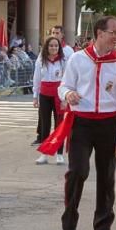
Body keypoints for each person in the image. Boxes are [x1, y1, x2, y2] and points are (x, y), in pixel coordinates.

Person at [47, 15, 116, 230]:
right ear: (99, 33)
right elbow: (63, 85)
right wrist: (68, 95)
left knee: (106, 178)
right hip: (82, 123)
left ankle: (103, 229)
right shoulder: (78, 59)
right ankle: (69, 226)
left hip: (108, 124)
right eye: (113, 32)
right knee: (77, 172)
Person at [34, 36, 68, 165]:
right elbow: (36, 79)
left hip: (59, 95)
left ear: (59, 48)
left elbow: (67, 79)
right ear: (46, 47)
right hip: (44, 95)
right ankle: (44, 154)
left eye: (56, 46)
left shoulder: (64, 61)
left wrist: (65, 98)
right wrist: (35, 96)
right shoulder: (41, 60)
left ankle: (59, 154)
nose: (53, 48)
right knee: (45, 125)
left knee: (59, 125)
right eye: (51, 46)